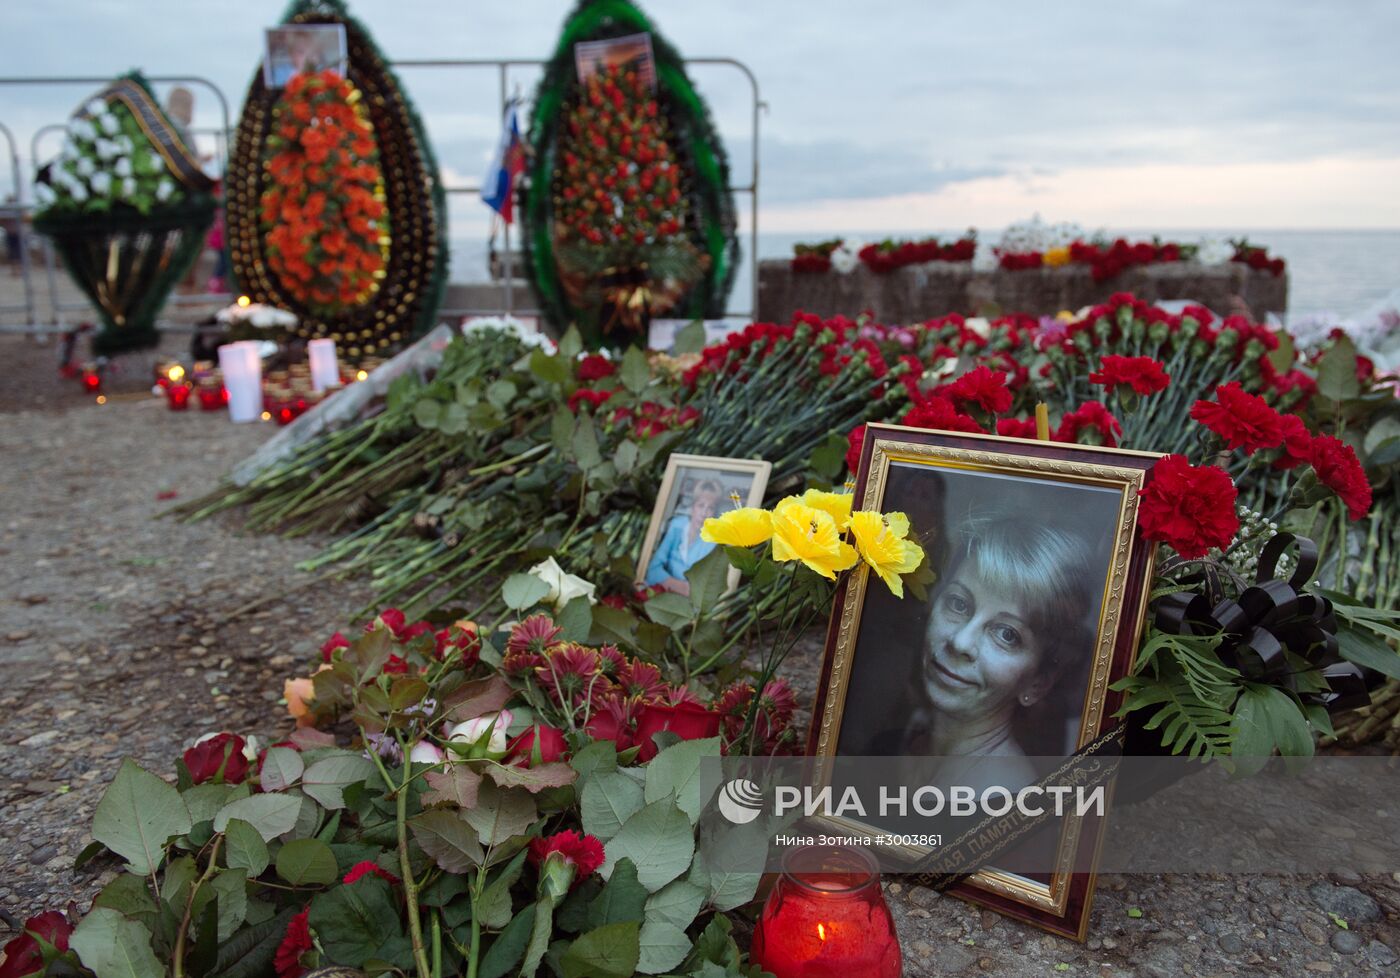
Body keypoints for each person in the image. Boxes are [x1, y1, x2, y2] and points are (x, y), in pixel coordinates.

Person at [901, 512, 1099, 790]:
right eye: (958, 604)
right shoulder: (903, 741)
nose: (960, 642)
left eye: (1007, 634)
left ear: (1038, 683)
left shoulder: (1005, 809)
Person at [644, 479, 724, 595]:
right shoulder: (677, 526)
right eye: (701, 505)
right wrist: (682, 587)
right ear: (692, 508)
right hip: (659, 594)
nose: (704, 513)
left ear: (714, 514)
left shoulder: (713, 542)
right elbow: (652, 570)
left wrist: (665, 582)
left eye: (710, 508)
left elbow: (702, 589)